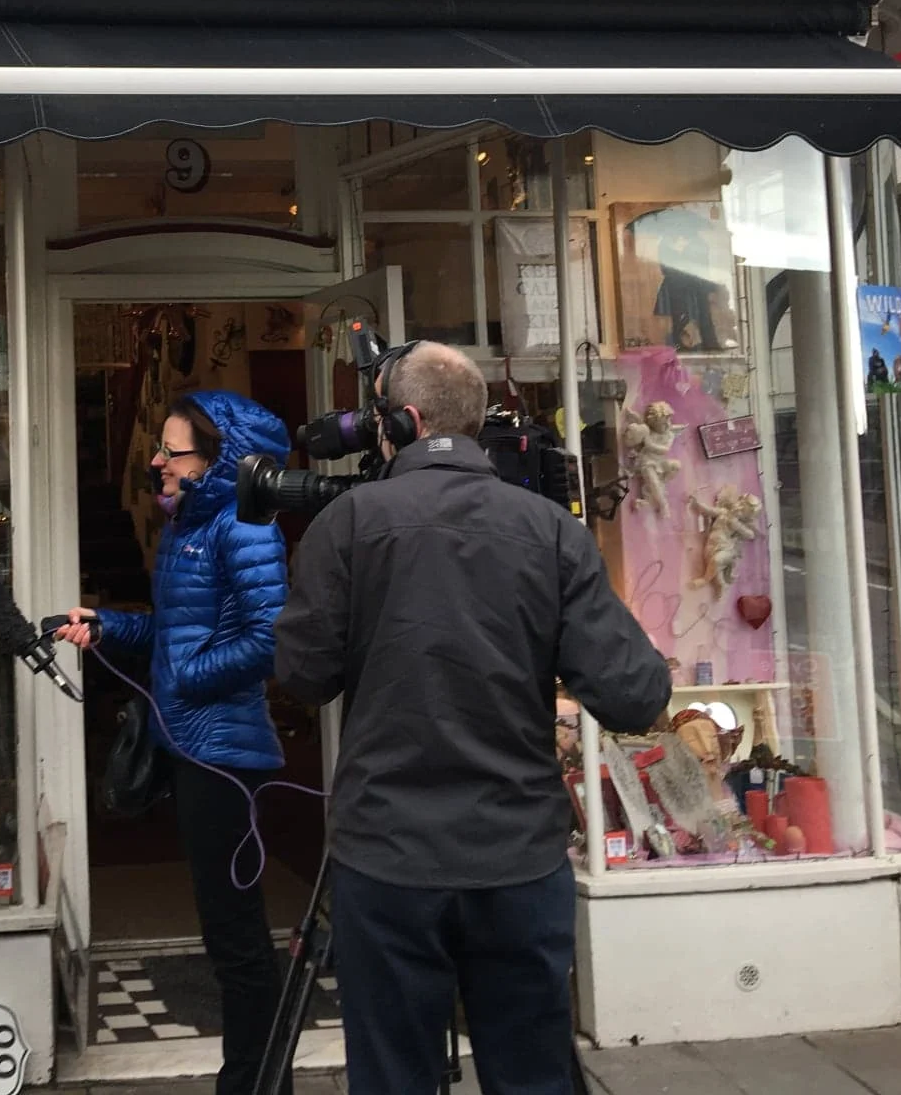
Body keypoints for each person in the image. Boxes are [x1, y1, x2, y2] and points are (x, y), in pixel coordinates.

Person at [275, 343, 672, 1095]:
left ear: (404, 420)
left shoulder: (350, 522)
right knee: (531, 1076)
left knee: (395, 1077)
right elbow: (632, 694)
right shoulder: (550, 531)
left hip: (388, 860)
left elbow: (302, 676)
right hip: (517, 860)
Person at [55, 391, 294, 1095]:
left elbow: (267, 638)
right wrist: (105, 627)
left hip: (224, 757)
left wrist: (188, 678)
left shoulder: (244, 526)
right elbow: (174, 634)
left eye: (172, 450)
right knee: (225, 936)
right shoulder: (190, 528)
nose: (156, 461)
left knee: (239, 940)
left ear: (218, 462)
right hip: (194, 747)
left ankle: (253, 1084)